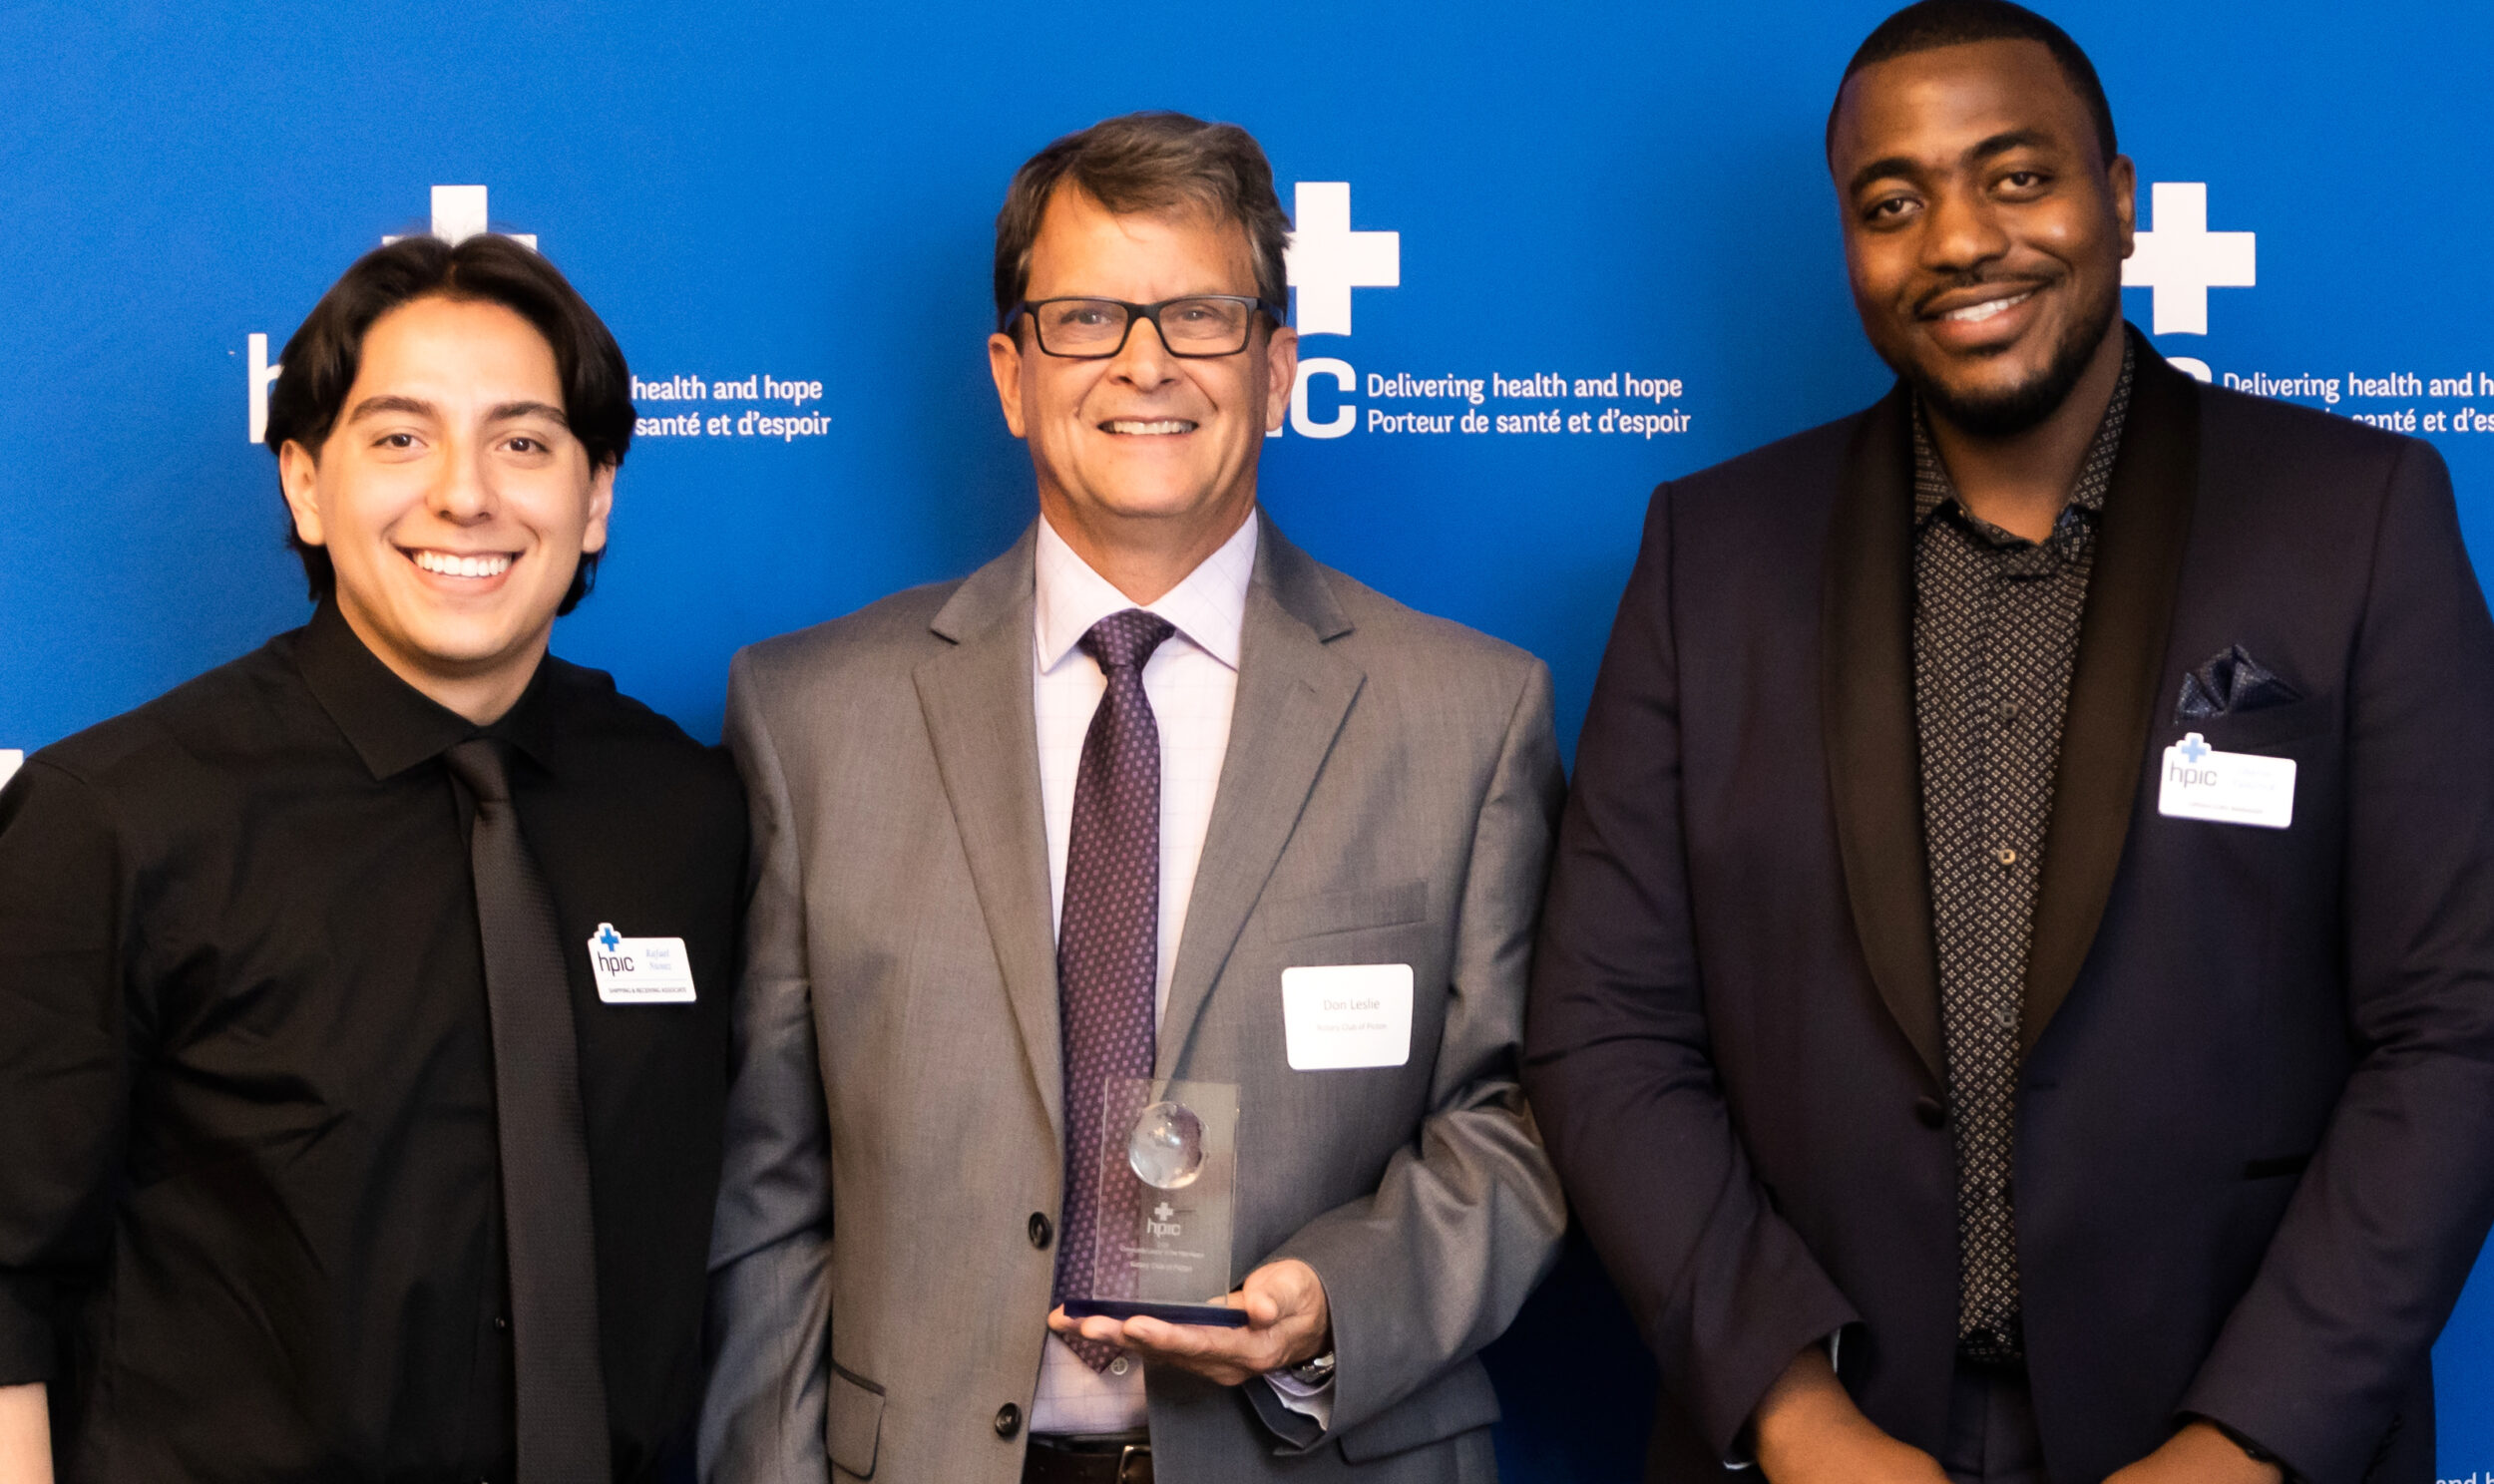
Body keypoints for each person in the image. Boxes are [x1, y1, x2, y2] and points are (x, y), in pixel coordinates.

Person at [1522, 3, 2494, 1481]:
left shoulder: (2353, 523)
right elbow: (1605, 1030)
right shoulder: (1709, 558)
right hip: (1829, 1432)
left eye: (2017, 177)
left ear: (2119, 199)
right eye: (1890, 204)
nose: (1961, 241)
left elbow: (2459, 1023)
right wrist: (1796, 1416)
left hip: (2236, 1426)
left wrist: (2246, 1441)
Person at [699, 111, 1565, 1484]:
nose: (1144, 362)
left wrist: (1334, 1306)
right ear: (1012, 376)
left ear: (1277, 369)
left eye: (1201, 316)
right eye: (1087, 319)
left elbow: (1515, 1123)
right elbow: (767, 1189)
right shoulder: (812, 716)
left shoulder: (1467, 716)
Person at [0, 233, 746, 1482]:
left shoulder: (686, 808)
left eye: (523, 443)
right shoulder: (116, 819)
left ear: (595, 496)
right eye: (401, 437)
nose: (465, 494)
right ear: (304, 483)